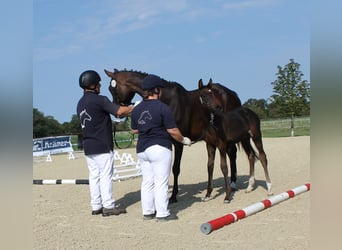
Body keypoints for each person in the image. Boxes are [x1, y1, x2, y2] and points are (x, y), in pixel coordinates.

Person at [131, 74, 191, 222]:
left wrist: (147, 127)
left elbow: (134, 130)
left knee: (147, 182)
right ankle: (163, 213)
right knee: (161, 182)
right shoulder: (163, 108)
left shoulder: (137, 110)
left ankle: (148, 212)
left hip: (142, 150)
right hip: (159, 148)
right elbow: (173, 131)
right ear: (156, 90)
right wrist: (184, 140)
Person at [77, 70, 134, 217]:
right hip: (102, 144)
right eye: (98, 83)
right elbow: (120, 112)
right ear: (93, 85)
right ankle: (108, 205)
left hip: (89, 146)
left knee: (94, 176)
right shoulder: (99, 100)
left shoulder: (80, 103)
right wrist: (135, 108)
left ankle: (96, 205)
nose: (100, 85)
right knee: (106, 176)